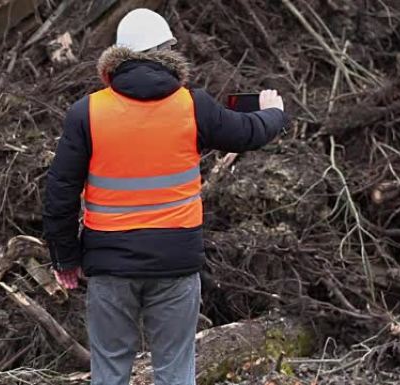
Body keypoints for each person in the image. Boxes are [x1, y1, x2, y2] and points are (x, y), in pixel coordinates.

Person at [43, 8, 288, 385]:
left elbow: (59, 192)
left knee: (108, 373)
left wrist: (65, 257)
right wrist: (274, 113)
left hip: (109, 268)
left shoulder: (87, 113)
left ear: (118, 57)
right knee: (175, 373)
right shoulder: (193, 105)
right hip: (175, 266)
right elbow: (247, 132)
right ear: (167, 52)